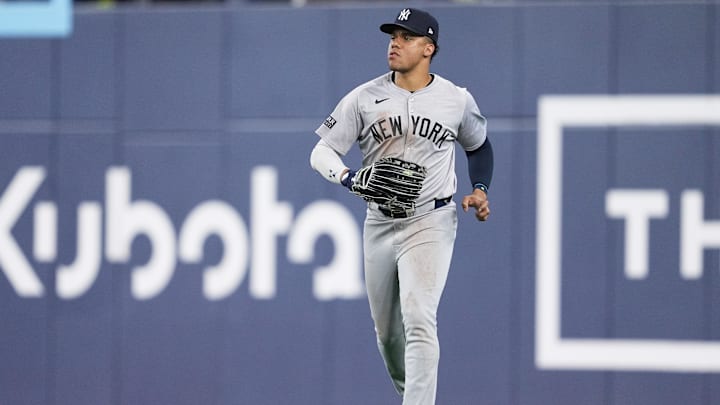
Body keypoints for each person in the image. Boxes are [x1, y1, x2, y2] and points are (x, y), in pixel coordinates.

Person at [309, 7, 493, 405]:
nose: (395, 42)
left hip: (432, 218)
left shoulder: (455, 99)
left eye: (406, 37)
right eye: (393, 35)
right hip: (379, 221)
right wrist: (348, 177)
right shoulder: (364, 97)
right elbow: (321, 151)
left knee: (420, 316)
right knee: (388, 335)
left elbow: (478, 146)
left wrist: (480, 188)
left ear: (429, 48)